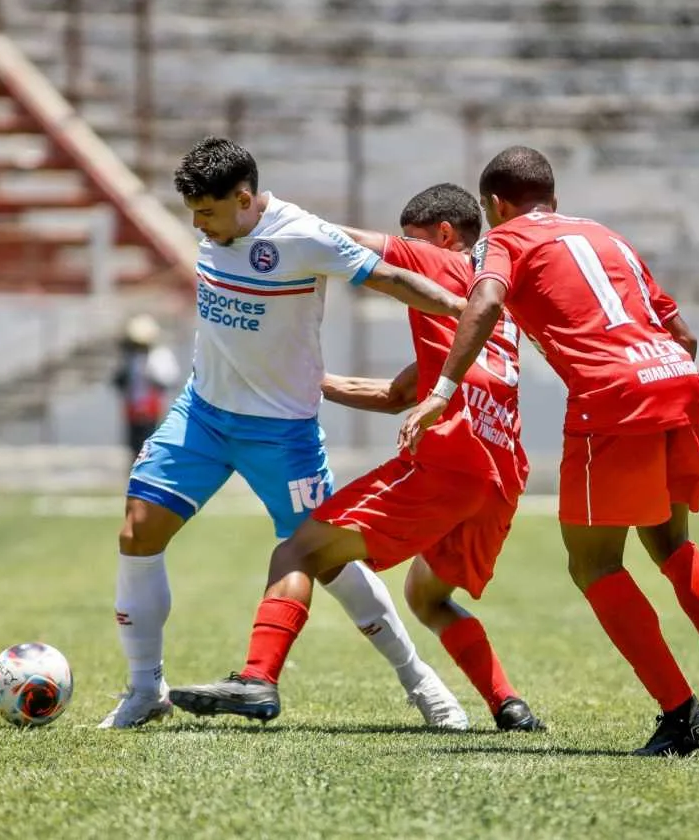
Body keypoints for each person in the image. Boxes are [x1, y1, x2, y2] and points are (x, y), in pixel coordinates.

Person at [400, 147, 699, 756]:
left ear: (495, 205)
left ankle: (682, 714)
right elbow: (684, 333)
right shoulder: (606, 235)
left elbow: (486, 303)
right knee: (670, 544)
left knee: (593, 563)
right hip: (675, 380)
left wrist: (441, 389)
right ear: (555, 195)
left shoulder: (507, 239)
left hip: (614, 399)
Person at [101, 137, 472, 730]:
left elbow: (391, 279)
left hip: (281, 432)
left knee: (327, 561)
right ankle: (146, 689)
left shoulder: (302, 235)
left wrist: (464, 309)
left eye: (208, 213)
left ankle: (421, 683)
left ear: (245, 200)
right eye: (193, 213)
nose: (199, 225)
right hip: (203, 415)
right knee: (138, 531)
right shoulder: (216, 225)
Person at [169, 183, 544, 731]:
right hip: (501, 474)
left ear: (443, 235)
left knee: (297, 553)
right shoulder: (493, 305)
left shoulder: (439, 259)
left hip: (449, 461)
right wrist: (303, 382)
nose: (404, 246)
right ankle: (508, 703)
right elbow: (397, 396)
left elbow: (331, 239)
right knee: (428, 596)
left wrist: (262, 214)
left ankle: (257, 680)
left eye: (413, 238)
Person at [112, 314, 181, 461]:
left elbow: (169, 379)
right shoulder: (129, 359)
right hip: (133, 408)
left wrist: (153, 376)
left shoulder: (159, 356)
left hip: (152, 409)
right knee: (133, 445)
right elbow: (119, 382)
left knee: (151, 444)